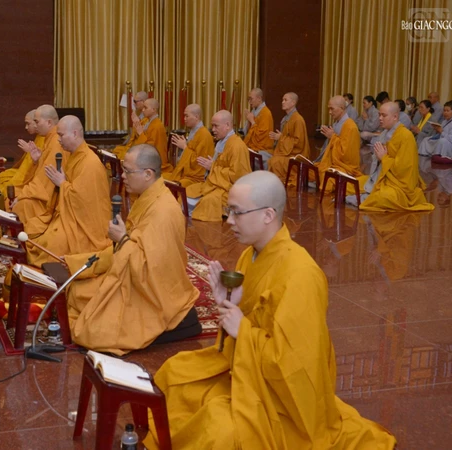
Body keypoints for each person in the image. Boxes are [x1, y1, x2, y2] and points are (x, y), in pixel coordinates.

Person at [143, 171, 397, 450]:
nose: (229, 221)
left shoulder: (301, 275)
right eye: (229, 211)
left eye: (237, 212)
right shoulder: (250, 254)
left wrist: (243, 330)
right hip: (247, 369)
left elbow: (296, 365)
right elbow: (245, 324)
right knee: (176, 372)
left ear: (267, 215)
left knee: (219, 429)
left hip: (284, 398)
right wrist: (228, 303)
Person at [65, 144, 200, 355]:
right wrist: (84, 263)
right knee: (77, 292)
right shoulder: (148, 197)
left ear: (148, 174)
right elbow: (135, 249)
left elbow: (149, 269)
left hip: (155, 291)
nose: (122, 176)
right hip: (134, 274)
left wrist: (122, 239)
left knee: (93, 330)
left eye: (128, 171)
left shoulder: (162, 212)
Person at [23, 115, 111, 266]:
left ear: (75, 133)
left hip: (85, 225)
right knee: (35, 231)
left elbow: (84, 201)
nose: (58, 140)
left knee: (53, 245)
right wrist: (61, 184)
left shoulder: (90, 163)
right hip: (69, 215)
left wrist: (62, 183)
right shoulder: (75, 156)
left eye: (61, 135)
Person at [346, 102, 434, 212]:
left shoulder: (406, 136)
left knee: (384, 197)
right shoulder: (384, 134)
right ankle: (365, 195)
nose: (380, 118)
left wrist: (384, 158)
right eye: (379, 115)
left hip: (398, 185)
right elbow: (377, 164)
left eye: (384, 115)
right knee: (350, 184)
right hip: (380, 178)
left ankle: (366, 197)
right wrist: (379, 158)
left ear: (395, 117)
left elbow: (403, 169)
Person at [12, 105, 67, 237]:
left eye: (37, 122)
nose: (35, 126)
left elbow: (44, 180)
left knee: (21, 206)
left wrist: (22, 195)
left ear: (49, 122)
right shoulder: (49, 139)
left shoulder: (56, 142)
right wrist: (37, 160)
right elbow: (43, 172)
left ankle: (22, 242)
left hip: (51, 201)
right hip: (45, 192)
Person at [186, 110, 251, 221]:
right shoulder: (222, 142)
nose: (213, 130)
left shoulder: (237, 146)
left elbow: (238, 177)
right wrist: (213, 166)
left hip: (231, 189)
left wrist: (212, 167)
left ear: (227, 125)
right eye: (212, 126)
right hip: (217, 184)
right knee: (188, 191)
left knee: (208, 201)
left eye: (216, 126)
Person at [0, 109, 46, 198]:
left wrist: (30, 152)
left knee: (8, 186)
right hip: (27, 172)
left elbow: (43, 162)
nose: (26, 127)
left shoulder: (46, 138)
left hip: (33, 177)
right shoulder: (39, 137)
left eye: (28, 124)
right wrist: (30, 152)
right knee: (2, 176)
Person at [315, 96, 362, 192]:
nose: (329, 112)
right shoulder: (337, 123)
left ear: (342, 108)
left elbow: (347, 155)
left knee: (327, 178)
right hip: (333, 163)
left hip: (345, 166)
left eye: (332, 109)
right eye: (328, 109)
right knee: (313, 169)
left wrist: (332, 137)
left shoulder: (350, 127)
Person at [164, 104, 215, 187]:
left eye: (187, 116)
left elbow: (198, 162)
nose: (184, 119)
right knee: (162, 177)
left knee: (176, 185)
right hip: (186, 173)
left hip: (196, 178)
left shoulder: (204, 134)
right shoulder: (194, 132)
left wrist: (184, 147)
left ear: (196, 117)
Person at [266, 92, 310, 183]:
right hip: (287, 152)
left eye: (285, 100)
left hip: (296, 156)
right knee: (272, 160)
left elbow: (299, 143)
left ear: (293, 103)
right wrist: (280, 137)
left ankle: (278, 183)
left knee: (275, 162)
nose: (282, 102)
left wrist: (281, 138)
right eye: (282, 100)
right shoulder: (287, 118)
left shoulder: (298, 119)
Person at [128, 98, 172, 173]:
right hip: (149, 155)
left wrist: (141, 134)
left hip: (156, 160)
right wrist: (139, 131)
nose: (143, 110)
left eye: (145, 108)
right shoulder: (149, 122)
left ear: (153, 109)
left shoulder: (157, 126)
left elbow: (150, 147)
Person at [114, 91, 149, 158]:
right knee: (117, 150)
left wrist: (137, 123)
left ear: (143, 102)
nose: (134, 104)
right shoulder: (140, 114)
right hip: (134, 145)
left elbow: (143, 136)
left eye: (135, 101)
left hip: (140, 148)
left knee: (120, 155)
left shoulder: (148, 118)